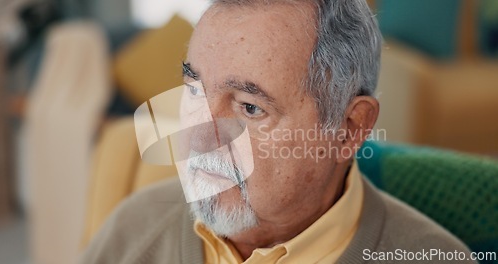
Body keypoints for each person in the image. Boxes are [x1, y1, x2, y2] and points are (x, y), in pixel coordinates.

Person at [81, 0, 476, 263]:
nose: (200, 136)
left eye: (250, 107)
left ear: (349, 129)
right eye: (194, 90)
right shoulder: (132, 229)